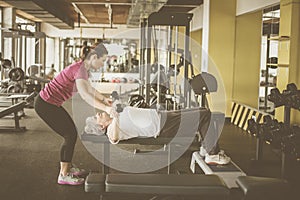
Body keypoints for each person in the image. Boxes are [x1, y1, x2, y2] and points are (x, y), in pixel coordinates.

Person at [34, 43, 116, 186]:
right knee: (70, 134)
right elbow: (85, 95)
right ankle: (64, 175)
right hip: (45, 104)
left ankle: (68, 168)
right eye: (102, 60)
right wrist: (106, 109)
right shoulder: (80, 69)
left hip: (49, 103)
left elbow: (89, 89)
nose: (103, 64)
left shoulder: (83, 68)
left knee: (70, 133)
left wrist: (104, 99)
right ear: (94, 57)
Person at [91, 106, 231, 165]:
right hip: (163, 126)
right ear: (102, 126)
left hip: (162, 117)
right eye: (96, 117)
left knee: (203, 110)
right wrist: (115, 117)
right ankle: (212, 153)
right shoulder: (110, 131)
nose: (97, 114)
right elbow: (114, 138)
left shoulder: (114, 117)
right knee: (204, 115)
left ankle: (207, 147)